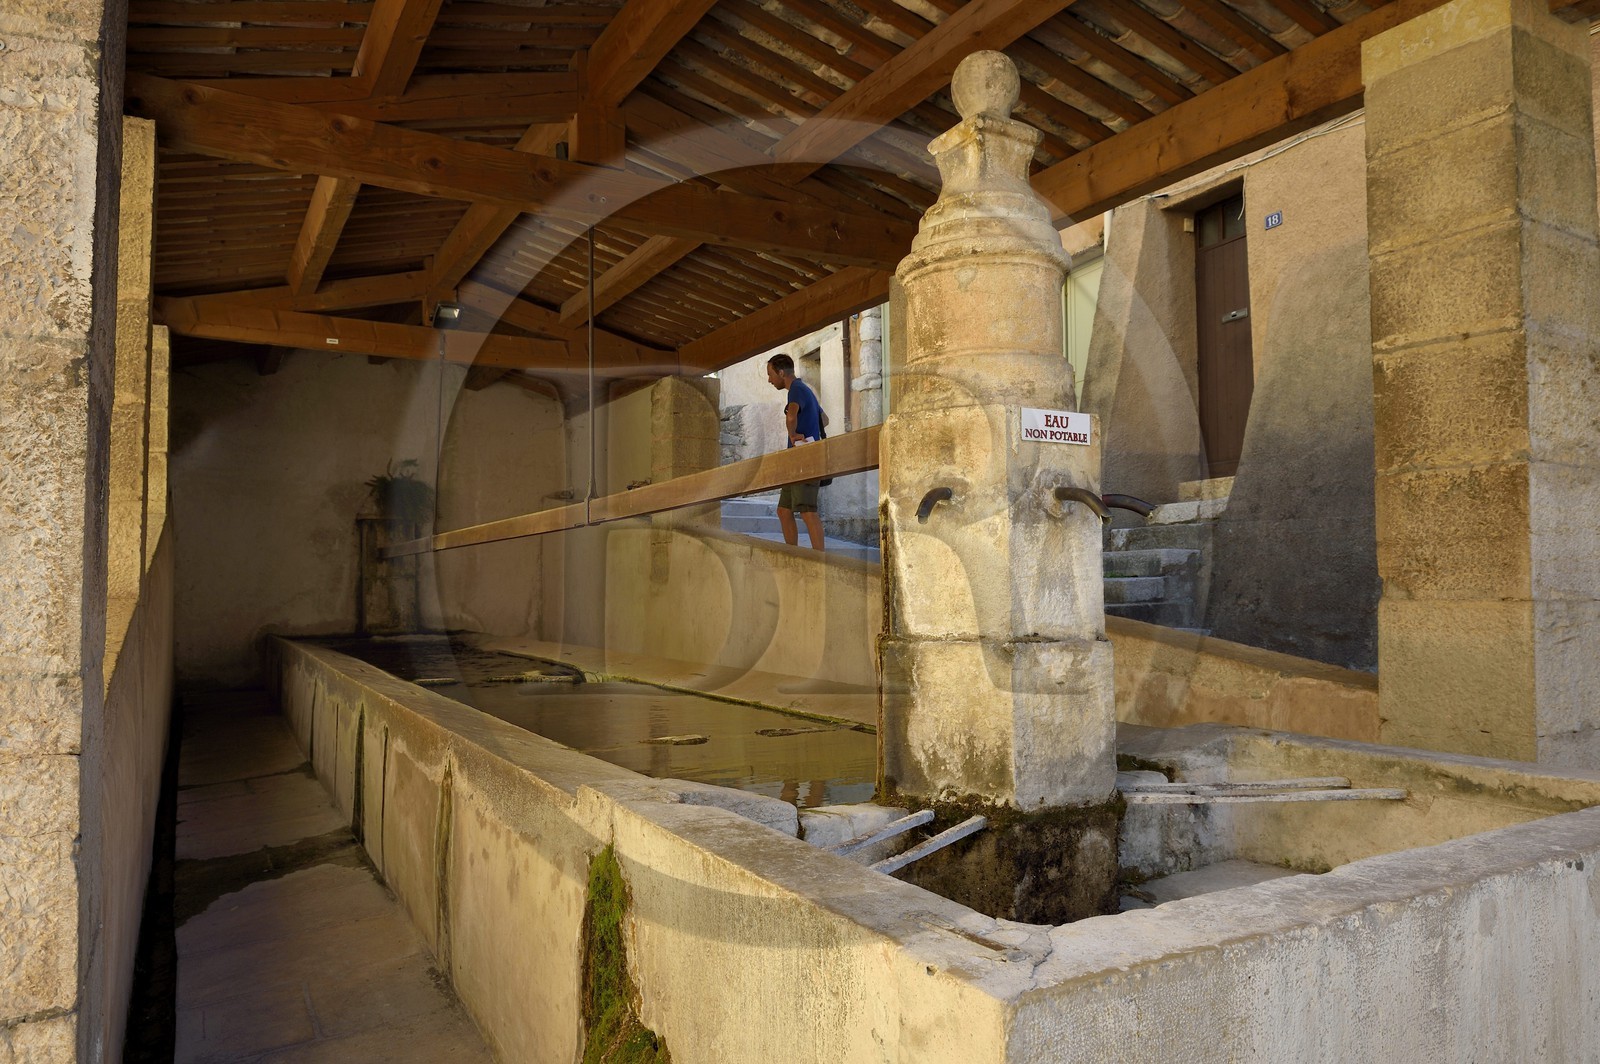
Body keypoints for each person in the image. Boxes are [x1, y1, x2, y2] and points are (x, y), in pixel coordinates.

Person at [765, 354, 828, 551]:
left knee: (808, 511)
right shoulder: (805, 391)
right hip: (796, 461)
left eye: (770, 374)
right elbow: (824, 420)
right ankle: (792, 554)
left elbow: (791, 416)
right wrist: (809, 430)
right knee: (784, 510)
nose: (769, 380)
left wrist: (793, 435)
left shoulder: (796, 390)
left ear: (781, 373)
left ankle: (820, 559)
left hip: (805, 459)